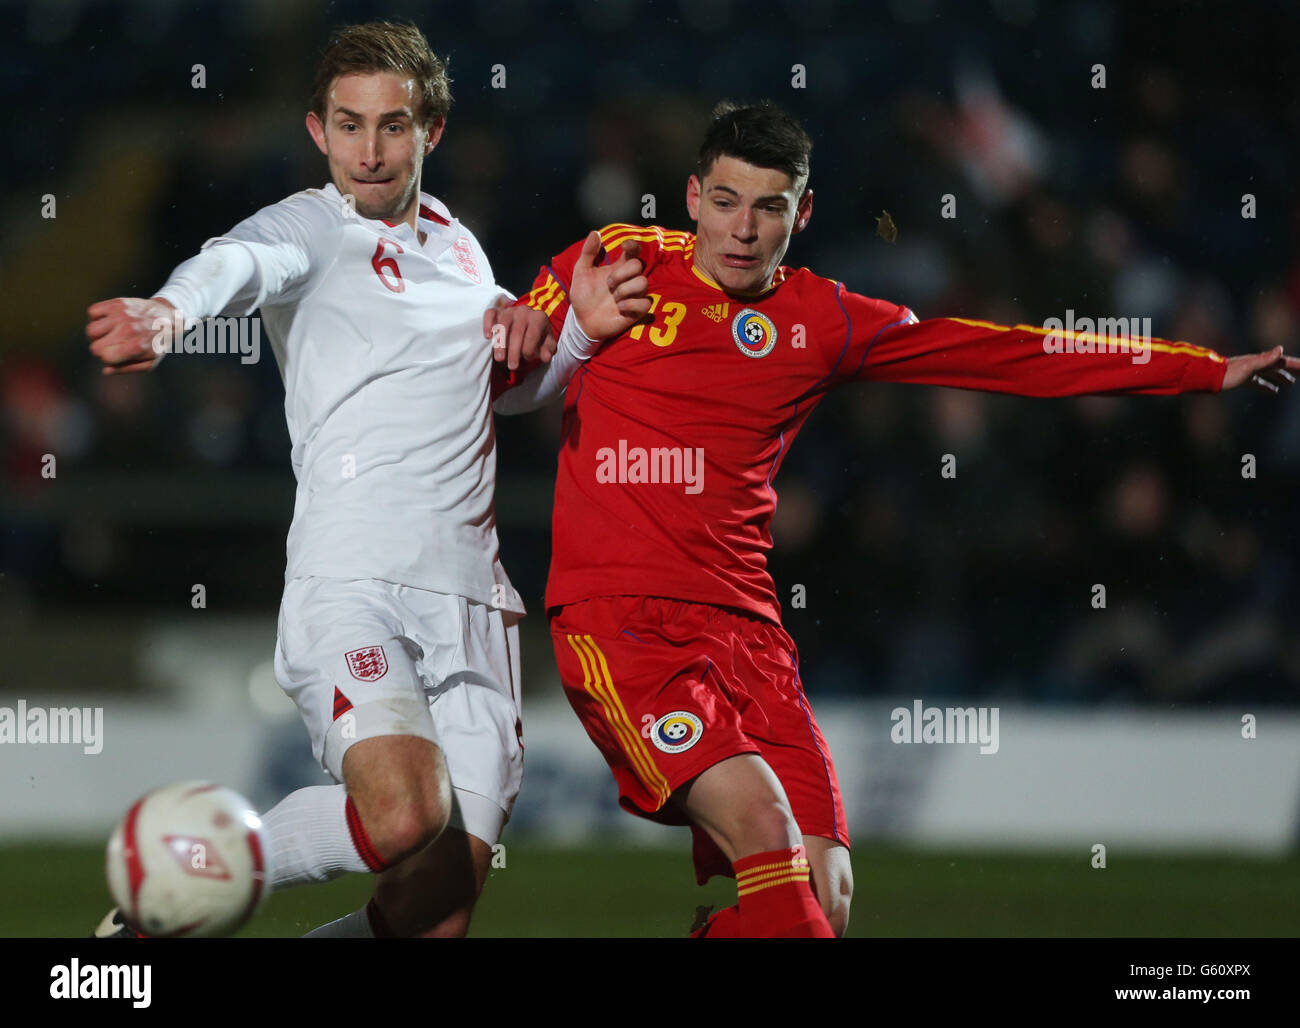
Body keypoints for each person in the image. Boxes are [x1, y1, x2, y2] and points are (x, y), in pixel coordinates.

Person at [493, 101, 1300, 938]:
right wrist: (515, 324)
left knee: (827, 899)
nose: (743, 229)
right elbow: (502, 368)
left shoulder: (826, 320)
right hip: (624, 624)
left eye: (770, 207)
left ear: (801, 213)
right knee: (769, 843)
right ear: (693, 196)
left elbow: (1010, 356)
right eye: (727, 201)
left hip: (749, 636)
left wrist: (1203, 372)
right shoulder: (613, 260)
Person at [85, 20, 646, 938]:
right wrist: (170, 310)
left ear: (431, 131)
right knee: (401, 816)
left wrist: (575, 332)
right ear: (317, 131)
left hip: (471, 604)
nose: (370, 150)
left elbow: (500, 394)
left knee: (435, 909)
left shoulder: (463, 252)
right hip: (353, 586)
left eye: (393, 125)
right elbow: (239, 259)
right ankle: (175, 884)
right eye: (349, 125)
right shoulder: (312, 227)